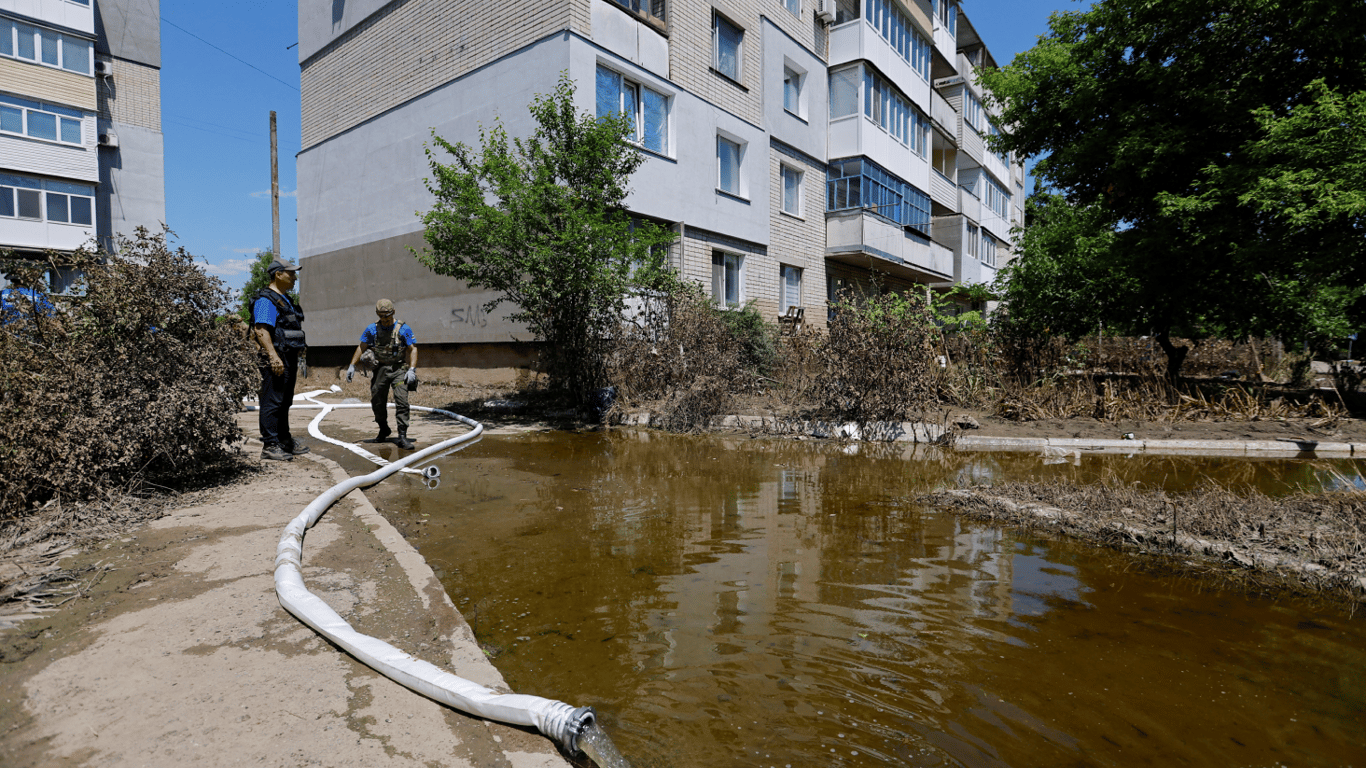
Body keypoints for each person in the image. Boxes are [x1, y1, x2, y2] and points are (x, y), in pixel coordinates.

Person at [251, 258, 309, 461]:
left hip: (288, 357)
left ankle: (284, 439)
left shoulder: (286, 300)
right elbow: (261, 330)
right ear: (278, 274)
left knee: (285, 401)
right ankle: (270, 444)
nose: (294, 277)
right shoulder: (267, 300)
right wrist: (273, 356)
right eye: (290, 273)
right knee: (272, 401)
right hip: (275, 358)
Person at [346, 298, 419, 450]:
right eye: (381, 316)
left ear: (393, 313)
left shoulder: (403, 329)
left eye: (387, 315)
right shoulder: (372, 329)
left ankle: (402, 435)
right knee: (377, 401)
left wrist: (412, 369)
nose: (385, 319)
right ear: (377, 314)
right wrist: (352, 365)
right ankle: (383, 428)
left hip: (398, 369)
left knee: (402, 401)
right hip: (381, 370)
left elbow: (413, 349)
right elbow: (361, 346)